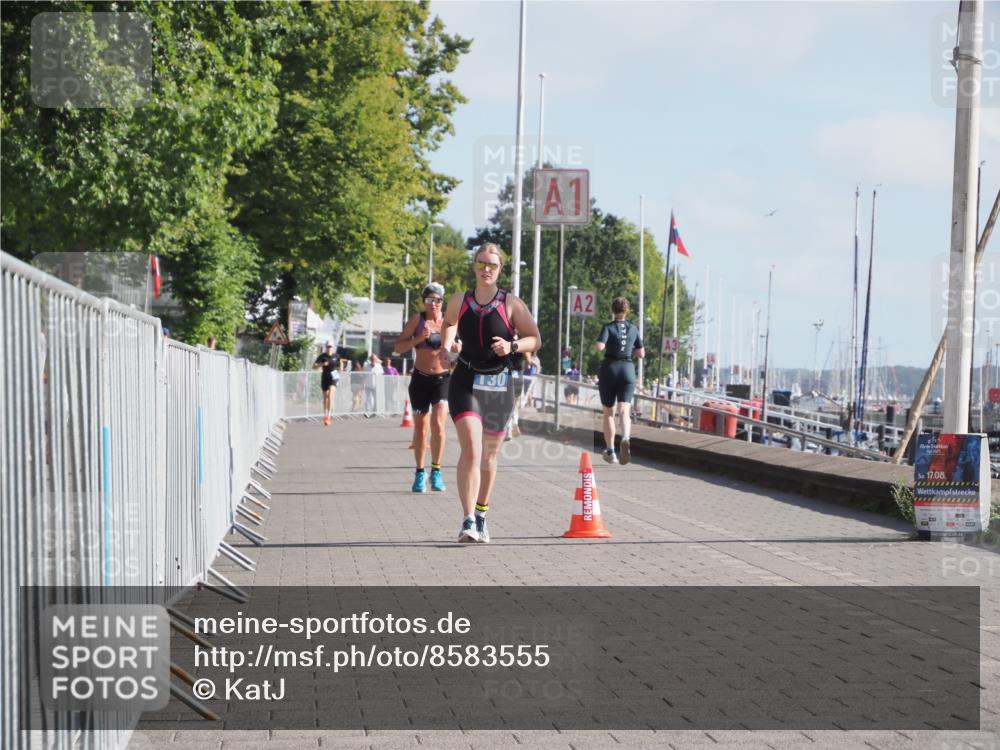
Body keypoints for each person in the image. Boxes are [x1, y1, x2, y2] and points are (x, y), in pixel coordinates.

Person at [441, 243, 541, 543]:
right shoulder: (460, 300)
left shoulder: (511, 304)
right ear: (474, 265)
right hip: (466, 380)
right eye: (482, 263)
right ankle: (468, 520)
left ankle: (482, 514)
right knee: (470, 450)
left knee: (488, 456)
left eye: (493, 265)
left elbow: (534, 339)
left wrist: (512, 346)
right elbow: (448, 324)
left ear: (500, 270)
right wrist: (447, 349)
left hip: (498, 383)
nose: (486, 269)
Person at [395, 283, 453, 493]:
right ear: (424, 301)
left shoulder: (449, 323)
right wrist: (419, 338)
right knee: (421, 428)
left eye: (438, 300)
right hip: (420, 380)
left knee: (439, 423)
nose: (434, 304)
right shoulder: (417, 321)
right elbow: (398, 346)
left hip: (443, 379)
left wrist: (457, 347)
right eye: (430, 300)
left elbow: (461, 347)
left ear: (442, 302)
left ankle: (436, 471)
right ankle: (420, 472)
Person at [595, 297, 645, 465]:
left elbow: (599, 347)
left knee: (609, 413)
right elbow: (641, 353)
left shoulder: (608, 327)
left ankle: (611, 452)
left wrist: (605, 342)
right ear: (627, 311)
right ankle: (625, 438)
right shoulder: (634, 328)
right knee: (624, 410)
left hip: (610, 369)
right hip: (627, 370)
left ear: (613, 310)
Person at [312, 341, 343, 426]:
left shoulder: (336, 356)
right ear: (326, 347)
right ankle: (325, 414)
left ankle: (329, 416)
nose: (329, 348)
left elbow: (340, 363)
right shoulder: (322, 356)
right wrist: (321, 364)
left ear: (333, 347)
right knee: (325, 397)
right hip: (325, 378)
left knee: (330, 395)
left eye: (330, 347)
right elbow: (314, 366)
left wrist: (341, 370)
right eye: (328, 347)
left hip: (334, 378)